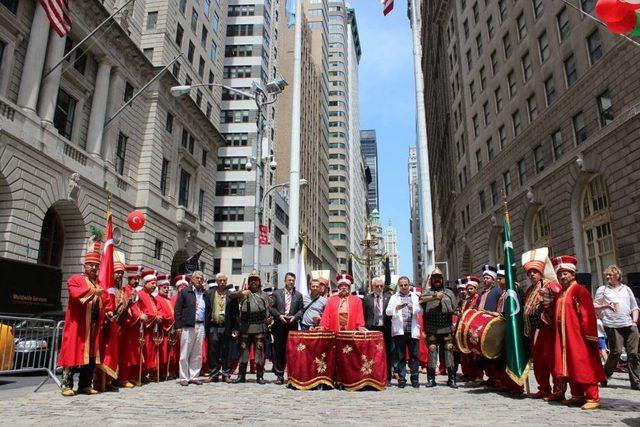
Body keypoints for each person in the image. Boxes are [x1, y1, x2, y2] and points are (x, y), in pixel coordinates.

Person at [550, 255, 605, 410]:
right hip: (563, 335)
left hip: (578, 336)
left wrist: (589, 335)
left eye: (565, 273)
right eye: (560, 274)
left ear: (572, 274)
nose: (562, 276)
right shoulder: (561, 292)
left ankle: (593, 397)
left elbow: (587, 314)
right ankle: (577, 395)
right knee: (569, 365)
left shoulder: (579, 290)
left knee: (583, 364)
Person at [58, 242, 104, 397]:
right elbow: (75, 294)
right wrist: (93, 291)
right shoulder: (75, 279)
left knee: (91, 356)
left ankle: (85, 384)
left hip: (93, 326)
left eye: (96, 266)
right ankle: (66, 385)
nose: (94, 268)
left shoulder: (99, 284)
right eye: (91, 265)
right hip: (77, 325)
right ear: (85, 266)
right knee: (71, 354)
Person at [521, 248, 563, 401]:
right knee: (538, 362)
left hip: (547, 329)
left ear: (541, 271)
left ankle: (558, 390)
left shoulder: (550, 285)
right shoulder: (530, 289)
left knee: (550, 359)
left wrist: (547, 301)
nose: (532, 274)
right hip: (533, 330)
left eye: (534, 271)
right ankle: (543, 388)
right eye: (529, 272)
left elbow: (558, 300)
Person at [594, 264, 640, 389]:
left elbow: (634, 306)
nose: (608, 276)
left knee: (633, 354)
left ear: (617, 275)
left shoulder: (626, 289)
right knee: (616, 352)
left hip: (629, 324)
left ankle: (636, 382)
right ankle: (604, 375)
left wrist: (634, 322)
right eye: (607, 275)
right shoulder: (602, 290)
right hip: (612, 325)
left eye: (610, 274)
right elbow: (594, 307)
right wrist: (606, 306)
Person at [420, 267, 458, 388]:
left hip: (446, 326)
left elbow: (455, 308)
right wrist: (435, 297)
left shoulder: (449, 293)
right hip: (432, 327)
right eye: (434, 278)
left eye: (439, 279)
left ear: (442, 280)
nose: (437, 281)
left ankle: (451, 378)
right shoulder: (427, 293)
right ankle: (431, 379)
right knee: (432, 350)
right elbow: (420, 300)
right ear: (431, 280)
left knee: (449, 350)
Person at [233, 270, 271, 385]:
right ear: (248, 282)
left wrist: (269, 320)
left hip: (259, 327)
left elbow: (268, 311)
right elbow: (232, 296)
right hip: (245, 327)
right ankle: (241, 375)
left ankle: (259, 376)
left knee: (259, 352)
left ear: (259, 282)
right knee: (244, 352)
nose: (254, 282)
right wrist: (241, 293)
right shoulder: (243, 294)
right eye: (251, 280)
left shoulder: (264, 295)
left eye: (256, 280)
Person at [94, 260, 127, 392]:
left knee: (113, 355)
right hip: (105, 325)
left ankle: (108, 380)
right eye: (117, 272)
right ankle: (98, 381)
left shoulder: (121, 291)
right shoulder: (107, 287)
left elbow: (123, 309)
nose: (119, 275)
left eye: (121, 273)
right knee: (103, 353)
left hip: (117, 326)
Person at [493, 264, 524, 395]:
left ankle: (516, 385)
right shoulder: (503, 293)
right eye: (498, 278)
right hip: (504, 330)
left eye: (501, 278)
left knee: (512, 356)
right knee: (503, 358)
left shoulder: (513, 290)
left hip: (512, 329)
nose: (498, 281)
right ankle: (506, 382)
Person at [386, 276, 422, 388]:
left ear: (409, 285)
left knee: (414, 356)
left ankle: (415, 378)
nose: (404, 287)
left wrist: (413, 309)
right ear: (398, 286)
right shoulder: (394, 298)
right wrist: (396, 308)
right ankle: (402, 379)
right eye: (401, 285)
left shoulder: (415, 296)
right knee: (400, 356)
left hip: (412, 330)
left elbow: (421, 310)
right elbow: (387, 312)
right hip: (400, 331)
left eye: (405, 285)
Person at [174, 271, 207, 386]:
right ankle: (184, 377)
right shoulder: (185, 291)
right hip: (188, 325)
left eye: (201, 279)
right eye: (197, 278)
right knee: (185, 352)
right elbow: (178, 310)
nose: (199, 280)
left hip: (201, 325)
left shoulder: (204, 293)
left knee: (197, 353)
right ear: (192, 279)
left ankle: (194, 376)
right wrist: (178, 326)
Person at [270, 272, 304, 385]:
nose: (291, 282)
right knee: (279, 351)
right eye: (289, 280)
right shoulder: (276, 293)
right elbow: (272, 308)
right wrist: (279, 316)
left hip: (292, 325)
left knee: (291, 351)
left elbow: (301, 310)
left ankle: (292, 375)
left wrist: (295, 317)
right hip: (279, 325)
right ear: (285, 281)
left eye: (293, 280)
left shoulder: (298, 295)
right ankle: (279, 375)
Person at [204, 272, 237, 383]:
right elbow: (207, 311)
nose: (222, 282)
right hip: (213, 327)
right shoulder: (209, 294)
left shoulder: (231, 295)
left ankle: (226, 374)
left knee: (226, 351)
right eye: (220, 280)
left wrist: (235, 328)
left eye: (224, 280)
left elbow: (235, 313)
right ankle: (213, 374)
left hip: (226, 327)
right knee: (213, 351)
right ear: (216, 282)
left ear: (226, 281)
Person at [118, 265, 144, 387]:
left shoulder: (136, 292)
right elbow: (126, 310)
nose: (137, 281)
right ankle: (123, 377)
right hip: (127, 326)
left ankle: (131, 376)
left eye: (138, 278)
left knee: (134, 353)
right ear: (129, 279)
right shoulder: (124, 291)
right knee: (126, 353)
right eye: (134, 278)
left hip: (135, 327)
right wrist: (139, 316)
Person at [364, 277, 392, 384]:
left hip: (385, 328)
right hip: (371, 328)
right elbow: (364, 314)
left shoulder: (388, 298)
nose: (379, 288)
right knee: (372, 352)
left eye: (381, 286)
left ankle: (388, 376)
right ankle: (371, 375)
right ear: (373, 286)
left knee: (386, 352)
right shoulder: (367, 298)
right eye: (377, 286)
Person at [136, 270, 162, 382]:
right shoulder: (140, 294)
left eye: (155, 284)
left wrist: (159, 316)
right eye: (152, 283)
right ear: (146, 283)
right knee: (143, 352)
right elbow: (140, 310)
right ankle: (139, 375)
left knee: (150, 353)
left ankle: (145, 374)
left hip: (152, 329)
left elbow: (158, 309)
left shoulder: (152, 297)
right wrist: (154, 317)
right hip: (143, 329)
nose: (154, 286)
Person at [459, 276, 483, 383]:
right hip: (465, 330)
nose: (469, 291)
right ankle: (468, 373)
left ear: (475, 289)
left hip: (474, 329)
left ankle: (478, 375)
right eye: (468, 289)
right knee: (466, 353)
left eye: (471, 289)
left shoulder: (479, 298)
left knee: (475, 354)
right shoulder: (467, 300)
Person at [155, 274, 175, 381]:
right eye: (164, 288)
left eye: (167, 288)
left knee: (169, 353)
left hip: (170, 330)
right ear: (159, 288)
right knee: (161, 353)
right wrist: (168, 319)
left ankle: (168, 371)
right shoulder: (157, 299)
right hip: (162, 330)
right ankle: (160, 372)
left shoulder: (169, 300)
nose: (166, 289)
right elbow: (159, 312)